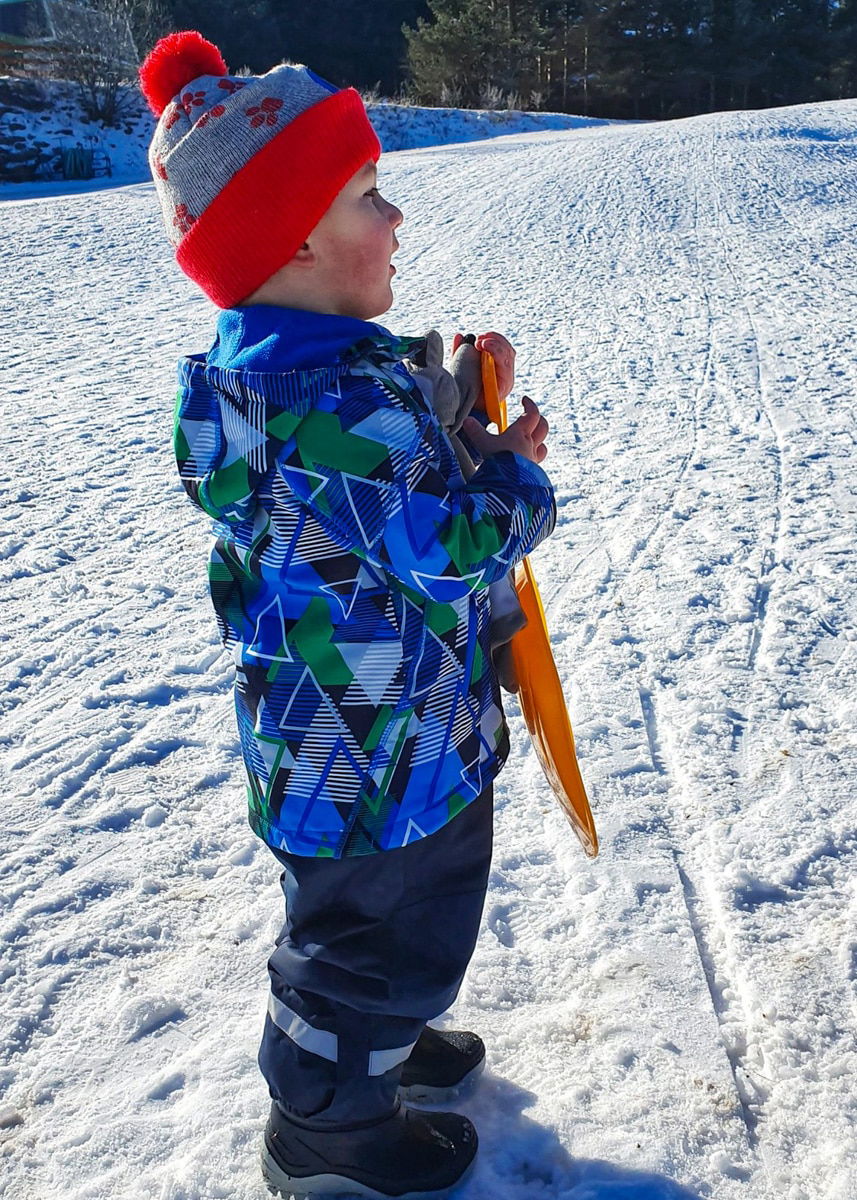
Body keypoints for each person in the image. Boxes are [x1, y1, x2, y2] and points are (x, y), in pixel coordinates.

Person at [139, 30, 555, 1200]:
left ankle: (373, 1043)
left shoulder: (282, 383)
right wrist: (514, 482)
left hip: (348, 735)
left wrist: (463, 424)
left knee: (378, 929)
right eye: (369, 193)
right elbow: (446, 545)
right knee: (371, 943)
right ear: (295, 237)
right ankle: (326, 1121)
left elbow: (373, 505)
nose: (396, 216)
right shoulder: (332, 406)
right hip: (378, 755)